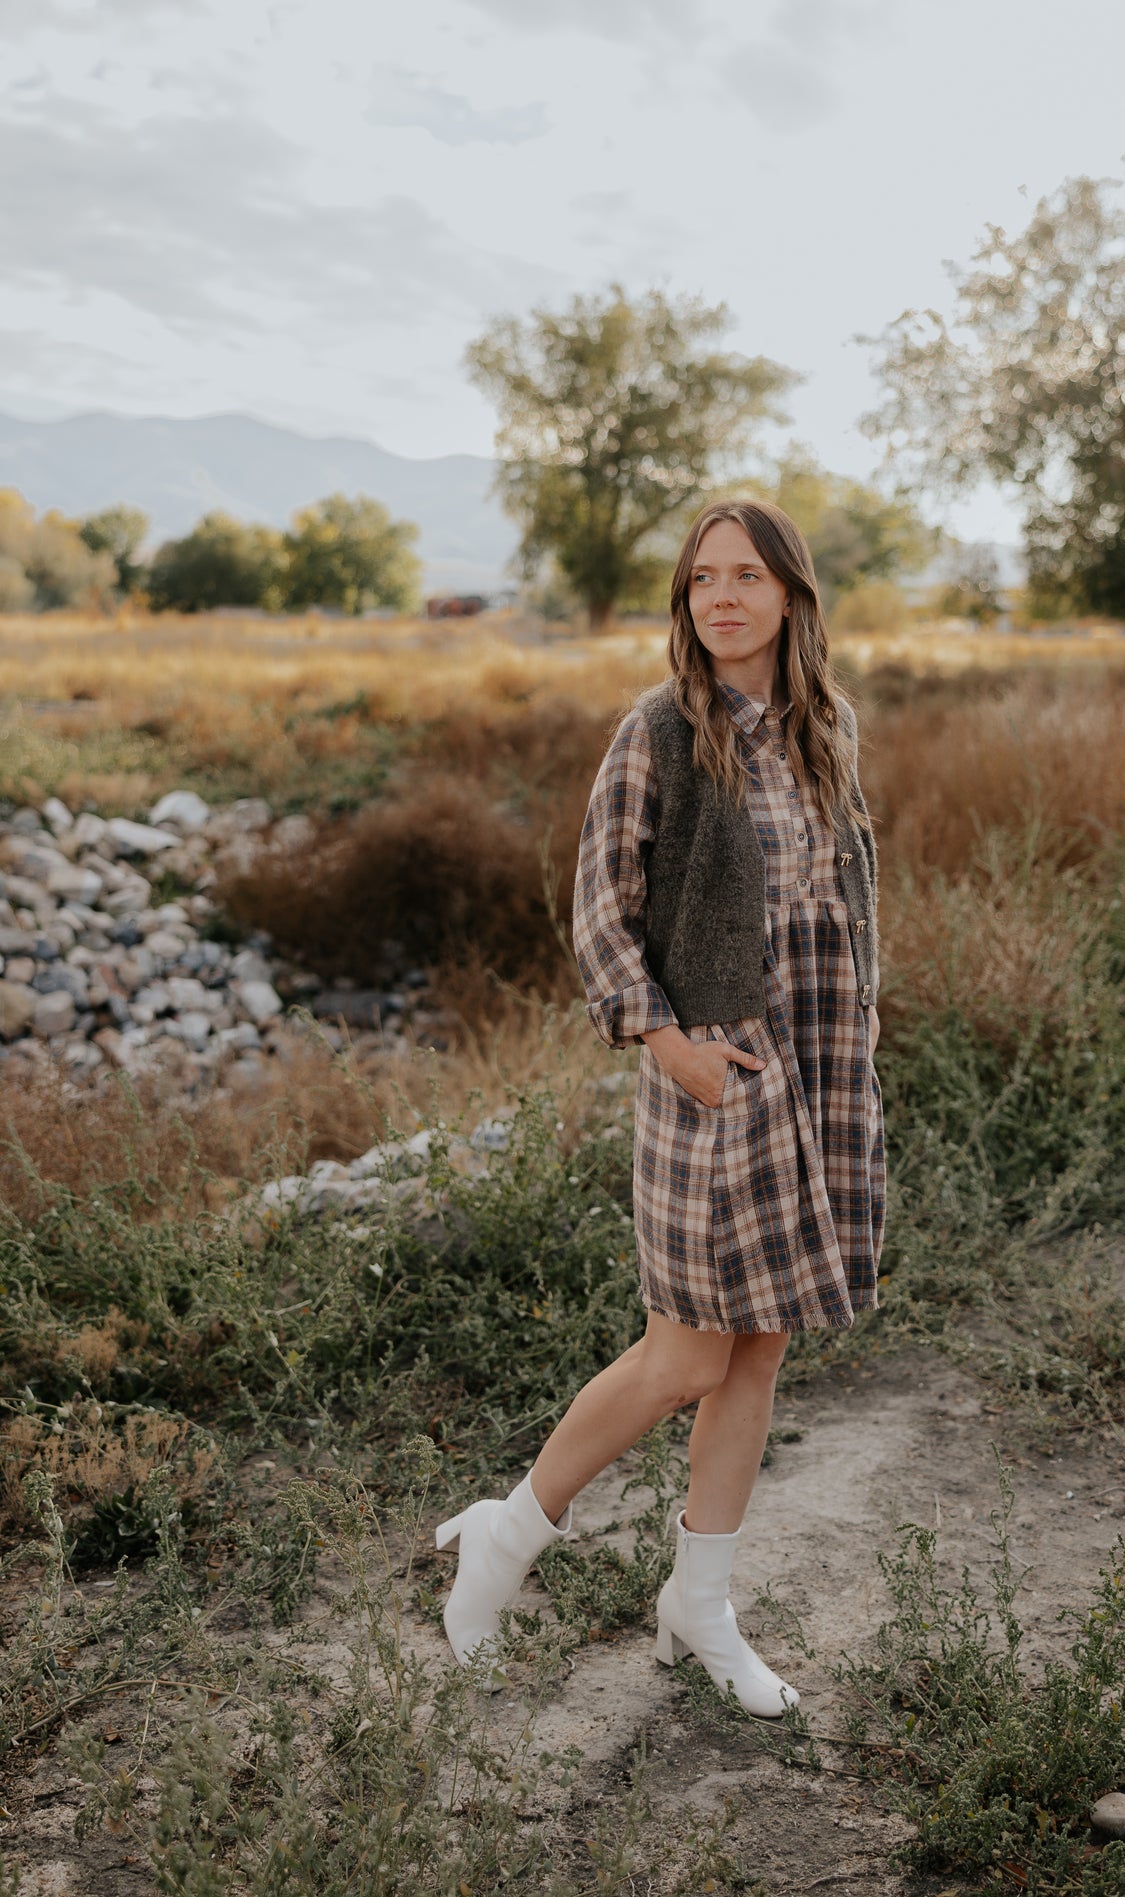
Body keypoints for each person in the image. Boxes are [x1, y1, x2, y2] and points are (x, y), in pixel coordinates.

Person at [434, 499, 885, 1715]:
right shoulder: (660, 731)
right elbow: (599, 908)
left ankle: (699, 1600)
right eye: (701, 580)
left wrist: (860, 1032)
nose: (722, 597)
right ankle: (510, 1530)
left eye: (746, 575)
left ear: (789, 592)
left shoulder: (828, 727)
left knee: (759, 1350)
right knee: (684, 1351)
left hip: (820, 1067)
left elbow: (843, 905)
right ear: (685, 602)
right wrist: (666, 1040)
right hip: (713, 1073)